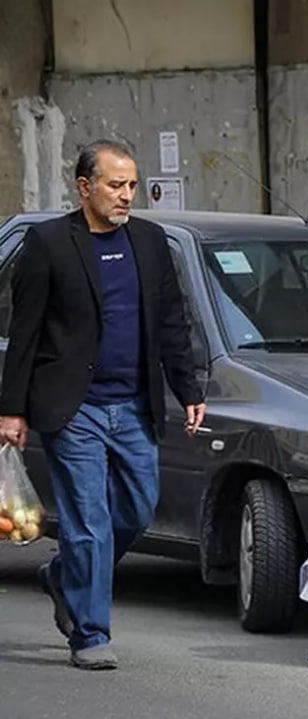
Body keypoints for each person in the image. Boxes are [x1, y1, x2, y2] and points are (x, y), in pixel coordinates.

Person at [0, 139, 206, 670]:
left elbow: (172, 324)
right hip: (75, 409)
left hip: (134, 405)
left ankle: (65, 574)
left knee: (137, 509)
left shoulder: (151, 242)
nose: (126, 196)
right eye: (116, 185)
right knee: (88, 521)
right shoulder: (48, 244)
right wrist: (11, 409)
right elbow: (24, 332)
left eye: (133, 185)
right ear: (85, 187)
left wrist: (189, 390)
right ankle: (90, 634)